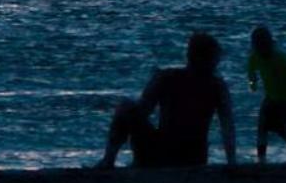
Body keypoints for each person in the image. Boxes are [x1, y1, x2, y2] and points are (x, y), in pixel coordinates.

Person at [98, 32, 238, 169]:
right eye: (216, 58)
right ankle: (116, 162)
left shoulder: (167, 77)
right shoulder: (217, 86)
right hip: (194, 157)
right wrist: (231, 161)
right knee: (128, 108)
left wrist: (154, 83)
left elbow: (142, 111)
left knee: (125, 106)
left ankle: (108, 161)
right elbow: (227, 125)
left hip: (163, 153)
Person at [245, 25, 286, 163]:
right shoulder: (255, 57)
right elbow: (251, 73)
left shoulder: (280, 59)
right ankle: (262, 158)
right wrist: (252, 85)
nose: (262, 49)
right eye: (258, 45)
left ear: (270, 44)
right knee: (262, 126)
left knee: (279, 127)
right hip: (271, 98)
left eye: (264, 45)